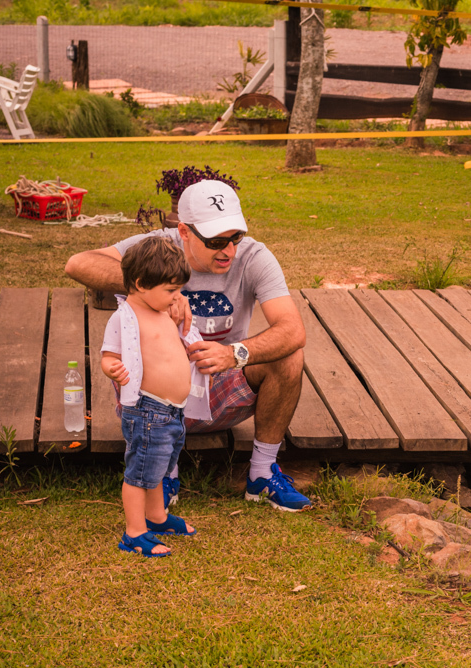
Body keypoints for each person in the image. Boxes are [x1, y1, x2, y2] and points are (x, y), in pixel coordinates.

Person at [66, 179, 311, 511]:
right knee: (145, 348)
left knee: (289, 357)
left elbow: (292, 330)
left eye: (234, 237)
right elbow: (78, 264)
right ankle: (163, 473)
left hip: (219, 385)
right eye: (215, 241)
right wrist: (157, 287)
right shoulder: (156, 249)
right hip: (154, 396)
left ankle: (262, 474)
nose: (228, 251)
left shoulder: (254, 256)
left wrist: (234, 353)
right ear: (183, 231)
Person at [102, 236, 208, 557]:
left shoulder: (162, 310)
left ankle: (157, 517)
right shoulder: (124, 317)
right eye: (171, 290)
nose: (178, 297)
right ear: (140, 284)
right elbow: (108, 355)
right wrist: (113, 369)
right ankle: (134, 533)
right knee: (140, 471)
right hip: (147, 411)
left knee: (160, 466)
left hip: (172, 412)